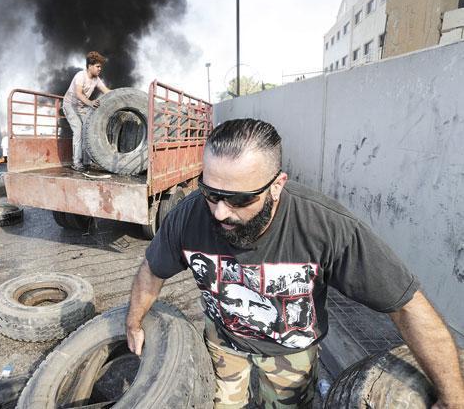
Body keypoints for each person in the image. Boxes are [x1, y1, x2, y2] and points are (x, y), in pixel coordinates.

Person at [126, 119, 464, 408]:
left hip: (291, 356)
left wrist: (452, 399)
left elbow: (407, 306)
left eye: (240, 199)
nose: (219, 212)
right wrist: (133, 323)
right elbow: (152, 270)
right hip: (223, 344)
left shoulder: (326, 227)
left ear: (277, 185)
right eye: (211, 192)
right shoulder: (189, 216)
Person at [62, 51, 111, 172]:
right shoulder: (80, 76)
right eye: (97, 66)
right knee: (78, 130)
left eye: (100, 67)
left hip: (82, 107)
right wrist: (90, 103)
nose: (100, 69)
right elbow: (79, 94)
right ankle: (76, 163)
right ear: (90, 66)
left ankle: (87, 162)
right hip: (70, 106)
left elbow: (106, 91)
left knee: (88, 130)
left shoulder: (96, 79)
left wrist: (121, 94)